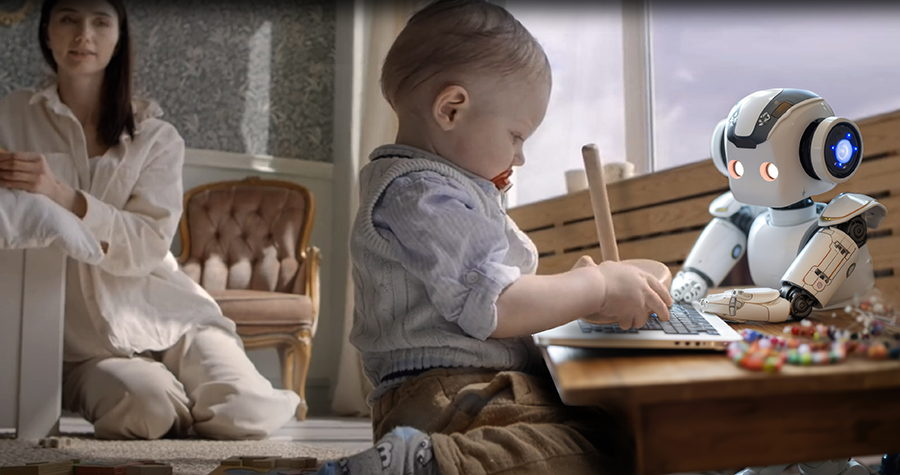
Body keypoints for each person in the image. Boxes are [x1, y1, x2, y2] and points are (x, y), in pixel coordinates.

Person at [316, 1, 674, 474]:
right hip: (446, 395)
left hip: (474, 387)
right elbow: (497, 304)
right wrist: (598, 286)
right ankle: (420, 465)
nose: (519, 157)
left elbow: (493, 277)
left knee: (617, 429)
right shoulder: (423, 193)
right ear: (451, 109)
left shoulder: (446, 187)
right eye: (516, 136)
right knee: (610, 452)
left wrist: (577, 287)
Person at [0, 0, 299, 440]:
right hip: (81, 349)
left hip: (170, 317)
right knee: (145, 410)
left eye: (100, 21)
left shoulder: (157, 138)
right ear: (47, 32)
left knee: (247, 411)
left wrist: (61, 193)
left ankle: (184, 393)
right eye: (68, 19)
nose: (84, 34)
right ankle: (163, 395)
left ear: (119, 37)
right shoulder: (11, 118)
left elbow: (146, 245)